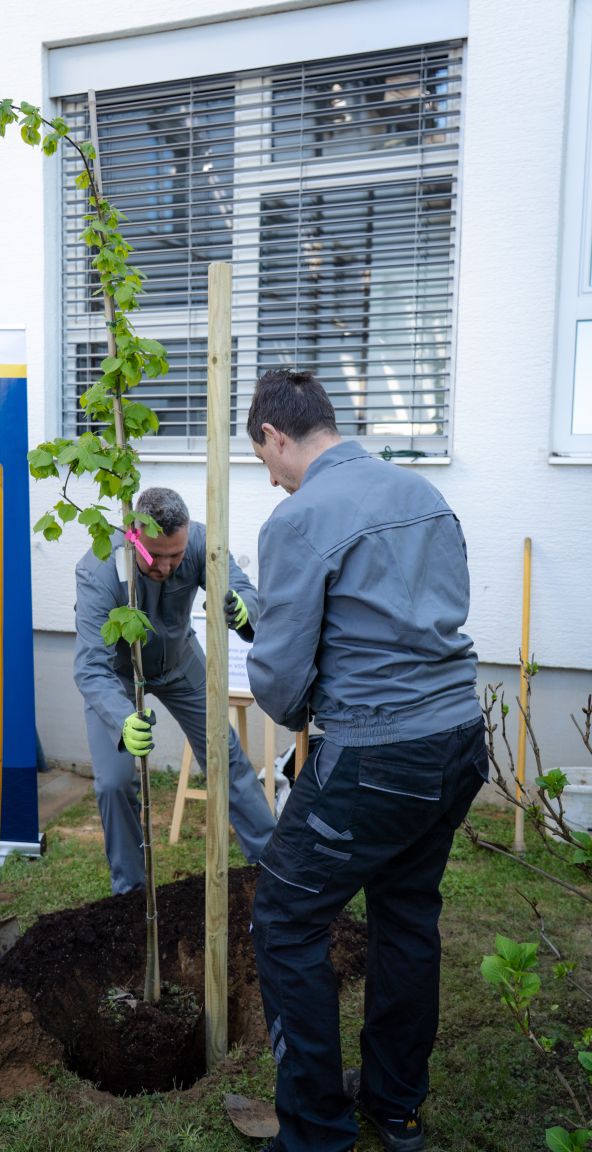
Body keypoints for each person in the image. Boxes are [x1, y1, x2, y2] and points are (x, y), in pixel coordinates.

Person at [245, 369, 488, 1152]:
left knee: (284, 919)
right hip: (458, 739)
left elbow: (282, 685)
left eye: (263, 459)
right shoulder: (423, 494)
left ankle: (316, 1132)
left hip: (378, 759)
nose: (272, 477)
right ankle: (394, 1108)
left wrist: (292, 682)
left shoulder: (299, 517)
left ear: (277, 437)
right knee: (407, 913)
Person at [73, 486, 275, 895]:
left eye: (175, 556)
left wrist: (244, 605)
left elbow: (245, 588)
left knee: (226, 757)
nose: (165, 567)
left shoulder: (200, 541)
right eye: (155, 556)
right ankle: (129, 892)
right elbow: (90, 666)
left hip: (181, 663)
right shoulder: (99, 569)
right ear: (134, 537)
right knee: (114, 783)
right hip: (116, 676)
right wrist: (121, 718)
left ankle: (274, 867)